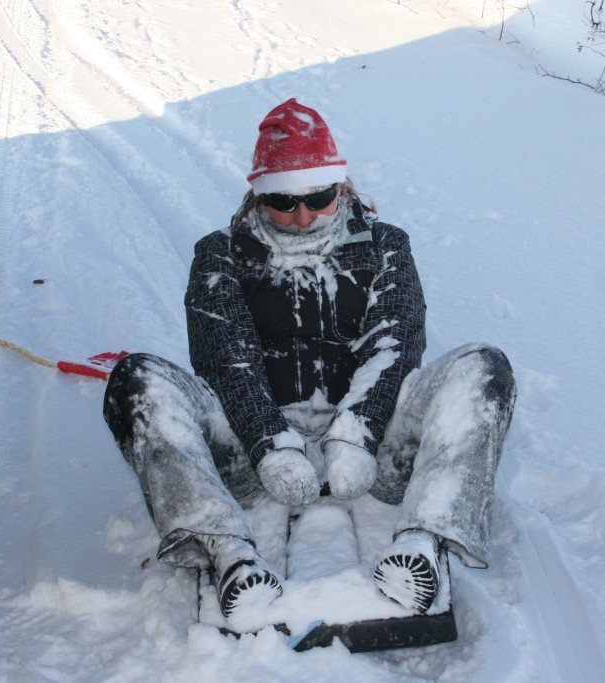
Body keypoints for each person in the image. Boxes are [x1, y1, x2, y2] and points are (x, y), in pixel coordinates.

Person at [103, 98, 517, 619]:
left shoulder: (385, 245)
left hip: (375, 452)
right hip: (254, 456)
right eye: (282, 201)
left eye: (318, 198)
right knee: (136, 380)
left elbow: (394, 344)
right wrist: (270, 445)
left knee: (484, 368)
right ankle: (228, 551)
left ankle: (423, 541)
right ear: (258, 197)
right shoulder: (220, 254)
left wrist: (358, 435)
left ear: (341, 187)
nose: (302, 217)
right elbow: (226, 360)